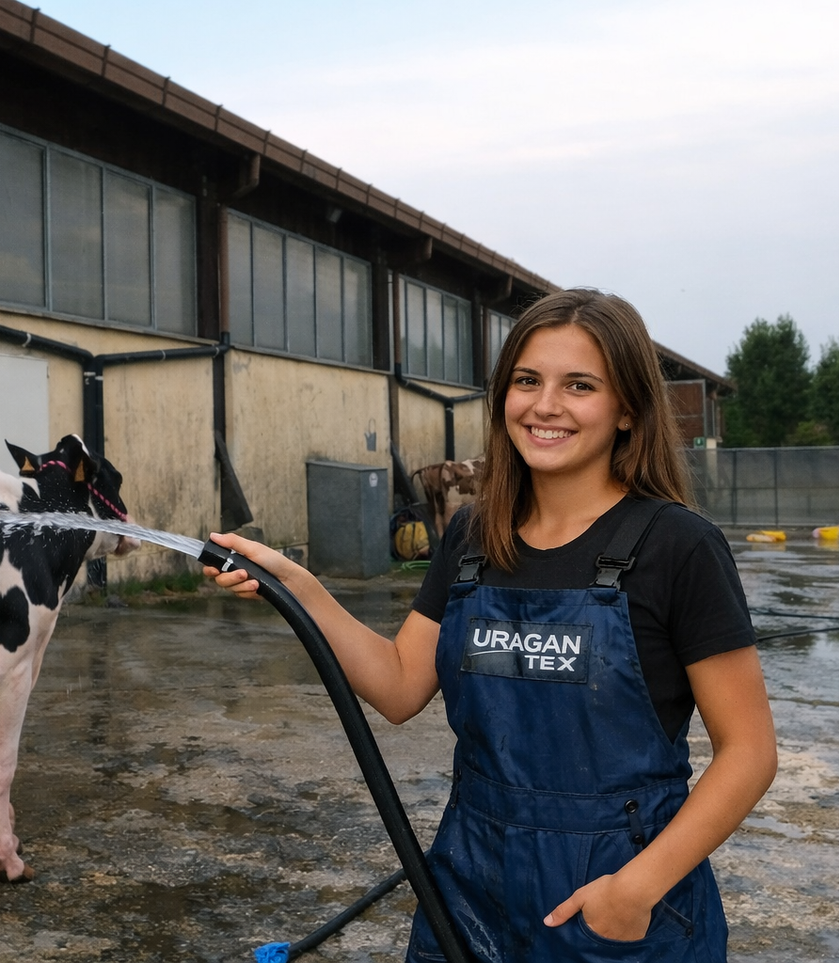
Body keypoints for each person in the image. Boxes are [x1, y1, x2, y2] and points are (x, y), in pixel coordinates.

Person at [204, 289, 776, 962]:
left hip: (613, 893)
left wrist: (636, 887)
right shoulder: (474, 536)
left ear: (626, 409)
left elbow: (748, 751)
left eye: (579, 385)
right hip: (470, 879)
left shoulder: (677, 546)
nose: (544, 405)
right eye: (526, 380)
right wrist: (297, 586)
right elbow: (396, 685)